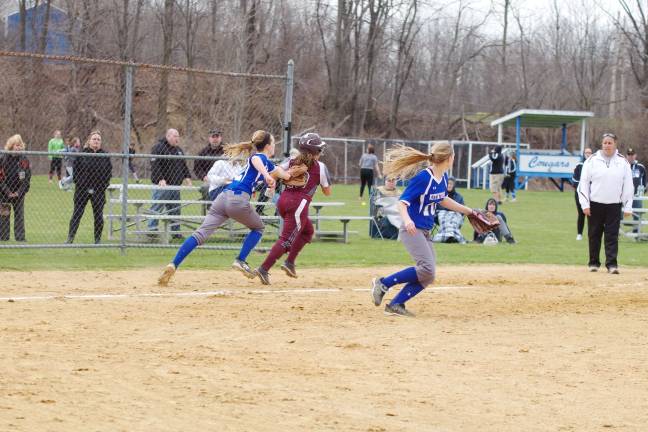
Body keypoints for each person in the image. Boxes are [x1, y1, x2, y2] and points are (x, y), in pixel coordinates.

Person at [157, 130, 292, 286]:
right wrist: (267, 175)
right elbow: (257, 160)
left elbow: (284, 174)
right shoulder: (259, 158)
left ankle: (173, 264)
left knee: (200, 234)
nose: (274, 146)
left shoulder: (267, 164)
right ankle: (240, 260)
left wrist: (289, 173)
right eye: (273, 143)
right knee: (258, 228)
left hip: (223, 198)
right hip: (237, 199)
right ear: (268, 146)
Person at [370, 142, 477, 317]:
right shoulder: (423, 178)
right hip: (412, 230)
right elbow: (402, 202)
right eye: (453, 156)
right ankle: (383, 283)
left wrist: (469, 211)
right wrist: (407, 220)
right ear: (449, 158)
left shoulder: (442, 178)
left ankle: (396, 304)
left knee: (428, 275)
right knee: (427, 268)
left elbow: (443, 200)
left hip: (425, 231)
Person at [254, 133, 331, 284]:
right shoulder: (320, 167)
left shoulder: (291, 161)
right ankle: (264, 268)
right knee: (287, 240)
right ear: (315, 151)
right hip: (297, 206)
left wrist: (278, 180)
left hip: (283, 202)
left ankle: (289, 262)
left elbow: (273, 173)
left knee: (308, 231)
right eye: (319, 150)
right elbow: (327, 192)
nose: (321, 153)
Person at [577, 133, 634, 274]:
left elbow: (628, 185)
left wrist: (628, 206)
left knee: (612, 235)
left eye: (610, 143)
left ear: (615, 144)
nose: (607, 145)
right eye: (605, 143)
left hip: (614, 205)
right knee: (594, 234)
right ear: (601, 144)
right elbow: (583, 183)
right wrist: (585, 204)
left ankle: (612, 265)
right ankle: (594, 263)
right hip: (595, 204)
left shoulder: (623, 162)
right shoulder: (591, 161)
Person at [66, 131, 113, 244]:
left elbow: (108, 174)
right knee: (77, 214)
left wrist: (102, 186)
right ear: (89, 141)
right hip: (82, 190)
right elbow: (76, 173)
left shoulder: (104, 155)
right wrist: (83, 185)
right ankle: (70, 238)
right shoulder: (82, 154)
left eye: (98, 139)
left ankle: (97, 240)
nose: (96, 141)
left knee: (98, 216)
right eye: (94, 139)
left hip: (98, 191)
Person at [148, 129, 192, 239]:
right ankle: (152, 229)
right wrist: (160, 179)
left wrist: (187, 178)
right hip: (162, 186)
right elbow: (155, 165)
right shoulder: (158, 147)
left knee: (175, 209)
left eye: (178, 136)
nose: (177, 138)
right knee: (157, 207)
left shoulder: (179, 150)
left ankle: (175, 232)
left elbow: (183, 166)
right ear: (168, 136)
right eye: (175, 136)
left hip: (175, 186)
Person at [0, 135, 31, 242]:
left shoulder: (24, 160)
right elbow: (0, 179)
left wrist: (18, 192)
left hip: (19, 193)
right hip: (4, 193)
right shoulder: (3, 159)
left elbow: (27, 179)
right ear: (11, 146)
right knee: (4, 216)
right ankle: (3, 238)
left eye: (20, 145)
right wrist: (8, 192)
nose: (18, 148)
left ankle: (20, 238)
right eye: (16, 145)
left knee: (19, 216)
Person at [194, 128, 224, 212]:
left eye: (217, 137)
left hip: (223, 180)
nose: (215, 139)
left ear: (220, 138)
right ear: (209, 138)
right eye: (213, 137)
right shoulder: (203, 152)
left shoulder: (227, 151)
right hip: (209, 180)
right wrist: (204, 177)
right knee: (205, 187)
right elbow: (197, 168)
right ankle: (210, 208)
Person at [433, 176, 467, 244]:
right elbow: (436, 208)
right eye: (448, 183)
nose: (449, 185)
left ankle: (446, 237)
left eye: (451, 184)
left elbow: (462, 209)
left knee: (454, 219)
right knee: (444, 218)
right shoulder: (440, 195)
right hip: (441, 214)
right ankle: (453, 236)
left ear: (454, 185)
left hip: (455, 215)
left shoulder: (459, 197)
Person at [572, 147, 593, 240]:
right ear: (584, 154)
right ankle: (579, 234)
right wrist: (582, 188)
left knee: (590, 215)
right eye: (586, 152)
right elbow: (574, 180)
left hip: (591, 194)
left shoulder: (595, 165)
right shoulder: (579, 165)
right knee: (581, 213)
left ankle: (591, 234)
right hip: (580, 193)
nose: (588, 154)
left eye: (590, 152)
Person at [627, 148, 646, 234]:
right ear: (626, 156)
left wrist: (643, 191)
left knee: (637, 214)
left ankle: (636, 232)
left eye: (632, 155)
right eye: (629, 155)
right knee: (618, 212)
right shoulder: (623, 166)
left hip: (637, 196)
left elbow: (645, 180)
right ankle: (618, 232)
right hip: (625, 196)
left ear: (635, 155)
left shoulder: (640, 167)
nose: (630, 157)